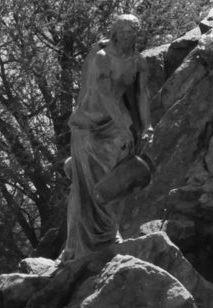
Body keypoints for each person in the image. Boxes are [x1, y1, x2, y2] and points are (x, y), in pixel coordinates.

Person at [61, 14, 154, 259]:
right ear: (114, 33)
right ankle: (78, 246)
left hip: (118, 124)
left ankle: (109, 233)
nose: (127, 36)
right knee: (86, 187)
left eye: (132, 32)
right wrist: (125, 128)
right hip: (89, 126)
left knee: (117, 178)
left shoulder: (138, 62)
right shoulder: (102, 58)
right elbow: (105, 94)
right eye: (122, 32)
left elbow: (142, 94)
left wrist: (147, 126)